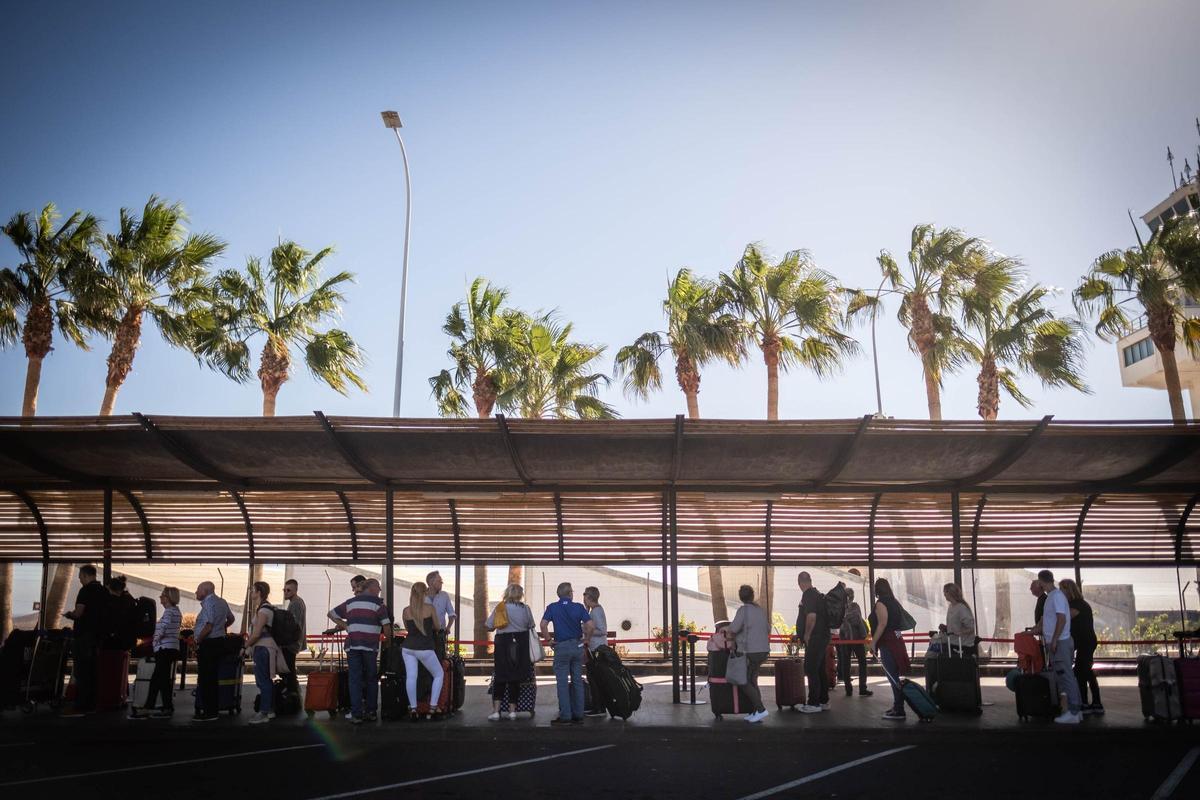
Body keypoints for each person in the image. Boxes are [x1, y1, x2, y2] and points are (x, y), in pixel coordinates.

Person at [330, 578, 394, 723]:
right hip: (370, 646)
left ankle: (356, 713)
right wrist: (387, 643)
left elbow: (332, 614)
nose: (379, 590)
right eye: (378, 587)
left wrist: (345, 626)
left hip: (353, 646)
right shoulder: (379, 604)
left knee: (355, 680)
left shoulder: (350, 603)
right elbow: (387, 627)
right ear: (371, 588)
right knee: (371, 679)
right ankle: (371, 712)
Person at [539, 582, 595, 725]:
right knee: (577, 680)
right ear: (570, 593)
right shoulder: (578, 607)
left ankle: (565, 716)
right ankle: (578, 714)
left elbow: (543, 624)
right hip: (577, 646)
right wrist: (586, 639)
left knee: (562, 682)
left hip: (561, 647)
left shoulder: (552, 607)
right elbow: (591, 625)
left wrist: (549, 640)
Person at [1037, 570, 1083, 724]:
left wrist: (1055, 639)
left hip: (1060, 642)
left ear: (1041, 581)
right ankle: (1076, 709)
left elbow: (1061, 619)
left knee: (1066, 676)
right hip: (1060, 641)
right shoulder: (1054, 596)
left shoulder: (1055, 596)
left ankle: (1074, 711)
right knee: (1066, 675)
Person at [62, 564, 108, 715]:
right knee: (93, 671)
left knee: (81, 671)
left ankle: (81, 704)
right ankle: (93, 703)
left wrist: (69, 615)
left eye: (81, 576)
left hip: (84, 636)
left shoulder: (85, 590)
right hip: (98, 636)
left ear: (87, 576)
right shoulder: (103, 591)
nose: (79, 579)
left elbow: (79, 613)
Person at [485, 583, 536, 721]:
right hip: (521, 647)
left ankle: (496, 711)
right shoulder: (525, 609)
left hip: (503, 646)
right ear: (520, 595)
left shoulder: (500, 608)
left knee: (500, 677)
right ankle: (512, 711)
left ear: (507, 593)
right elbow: (531, 625)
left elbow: (489, 626)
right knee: (515, 677)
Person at [243, 581, 289, 724]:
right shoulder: (264, 608)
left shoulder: (264, 610)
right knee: (265, 680)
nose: (251, 593)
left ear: (259, 592)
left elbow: (256, 634)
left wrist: (244, 647)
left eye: (253, 590)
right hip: (264, 647)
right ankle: (269, 710)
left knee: (263, 681)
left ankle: (263, 712)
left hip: (263, 648)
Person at [725, 584, 770, 723]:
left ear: (741, 597)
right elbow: (767, 628)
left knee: (743, 681)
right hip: (763, 650)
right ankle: (755, 711)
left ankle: (761, 709)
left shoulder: (743, 611)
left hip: (750, 651)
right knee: (752, 680)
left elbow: (733, 628)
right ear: (752, 596)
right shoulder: (759, 610)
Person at [869, 577, 912, 721]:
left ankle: (899, 709)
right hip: (896, 641)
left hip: (888, 642)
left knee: (892, 675)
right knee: (894, 675)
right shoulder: (894, 602)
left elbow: (882, 624)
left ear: (877, 590)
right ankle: (897, 706)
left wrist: (873, 642)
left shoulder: (881, 603)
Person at [192, 580, 235, 722]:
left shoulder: (209, 603)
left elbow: (209, 625)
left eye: (198, 589)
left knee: (206, 678)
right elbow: (231, 618)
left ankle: (209, 712)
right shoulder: (222, 602)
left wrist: (198, 640)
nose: (196, 592)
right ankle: (213, 710)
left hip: (208, 644)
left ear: (205, 591)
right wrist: (221, 628)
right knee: (213, 677)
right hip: (219, 643)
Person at [400, 581, 443, 719]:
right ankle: (433, 707)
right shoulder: (430, 608)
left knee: (412, 676)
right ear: (425, 592)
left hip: (408, 647)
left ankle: (413, 709)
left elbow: (408, 629)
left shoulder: (406, 610)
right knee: (438, 674)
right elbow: (437, 626)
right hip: (425, 647)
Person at [1059, 578, 1102, 716]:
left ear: (1068, 590)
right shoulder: (1079, 603)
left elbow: (1065, 617)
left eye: (1062, 589)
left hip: (1085, 642)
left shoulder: (1077, 604)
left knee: (1081, 672)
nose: (1060, 592)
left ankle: (1086, 703)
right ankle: (1095, 703)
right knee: (1086, 671)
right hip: (1085, 642)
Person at [137, 585, 181, 718]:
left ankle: (156, 707)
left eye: (162, 595)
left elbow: (164, 627)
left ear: (167, 598)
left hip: (164, 649)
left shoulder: (168, 612)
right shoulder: (177, 611)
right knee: (160, 679)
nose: (160, 597)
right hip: (172, 648)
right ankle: (160, 706)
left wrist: (155, 640)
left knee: (159, 679)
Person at [795, 571, 830, 713]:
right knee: (820, 669)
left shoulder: (808, 595)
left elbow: (811, 617)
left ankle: (814, 703)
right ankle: (823, 701)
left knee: (811, 669)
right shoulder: (817, 594)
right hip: (823, 636)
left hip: (815, 637)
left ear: (800, 583)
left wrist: (807, 634)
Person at [838, 587, 871, 697]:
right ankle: (862, 688)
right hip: (857, 638)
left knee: (846, 663)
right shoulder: (855, 606)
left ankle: (848, 689)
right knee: (862, 662)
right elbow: (859, 620)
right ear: (853, 596)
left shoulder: (839, 608)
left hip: (844, 638)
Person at [932, 583, 977, 656]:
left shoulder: (962, 608)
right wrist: (947, 628)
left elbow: (971, 628)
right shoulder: (951, 606)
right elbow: (957, 625)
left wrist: (960, 632)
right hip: (953, 642)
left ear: (950, 593)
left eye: (945, 591)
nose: (944, 594)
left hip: (963, 646)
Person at [281, 579, 306, 696]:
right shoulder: (296, 601)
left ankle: (292, 693)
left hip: (291, 642)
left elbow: (293, 625)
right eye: (284, 590)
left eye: (288, 590)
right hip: (294, 642)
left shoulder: (295, 603)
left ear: (295, 590)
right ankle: (293, 691)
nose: (285, 592)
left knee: (288, 669)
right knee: (289, 669)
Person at [424, 571, 457, 657]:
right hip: (424, 634)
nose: (442, 583)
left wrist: (448, 627)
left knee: (440, 658)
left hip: (440, 634)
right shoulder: (421, 596)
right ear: (431, 582)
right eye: (440, 581)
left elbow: (452, 614)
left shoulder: (444, 595)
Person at [102, 575, 137, 651]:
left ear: (111, 588)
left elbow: (110, 622)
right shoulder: (129, 598)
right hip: (128, 639)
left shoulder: (113, 603)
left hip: (116, 641)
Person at [583, 586, 608, 652]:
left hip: (598, 648)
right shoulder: (594, 610)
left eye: (584, 594)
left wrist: (585, 631)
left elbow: (602, 631)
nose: (583, 597)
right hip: (596, 647)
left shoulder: (596, 611)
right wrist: (587, 610)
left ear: (588, 597)